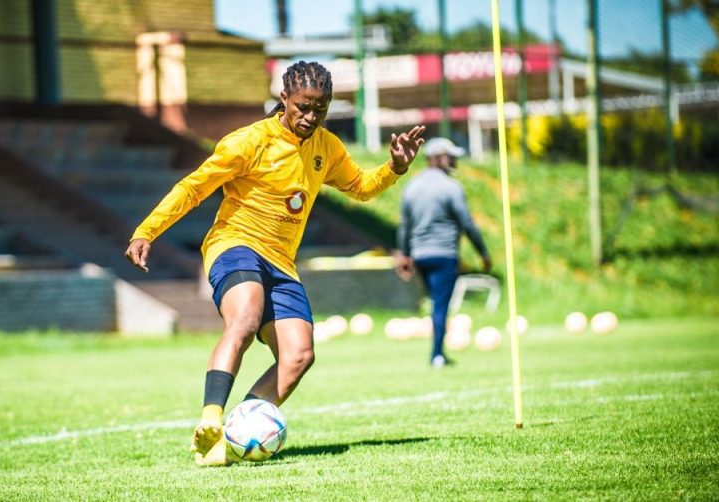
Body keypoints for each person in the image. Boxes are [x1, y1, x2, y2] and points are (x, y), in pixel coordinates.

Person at [124, 60, 425, 466]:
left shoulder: (327, 147)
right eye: (303, 106)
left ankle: (233, 436)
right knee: (245, 318)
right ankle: (210, 418)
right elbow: (194, 187)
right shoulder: (248, 142)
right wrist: (147, 230)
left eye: (321, 108)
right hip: (234, 244)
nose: (311, 116)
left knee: (299, 356)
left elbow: (361, 187)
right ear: (284, 98)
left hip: (281, 261)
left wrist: (394, 167)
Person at [395, 137, 491, 369]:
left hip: (419, 256)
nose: (454, 161)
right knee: (440, 305)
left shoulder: (412, 186)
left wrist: (405, 256)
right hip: (444, 254)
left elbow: (405, 226)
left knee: (434, 304)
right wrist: (483, 253)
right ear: (438, 158)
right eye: (451, 156)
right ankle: (437, 354)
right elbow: (467, 223)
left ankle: (437, 351)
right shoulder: (451, 187)